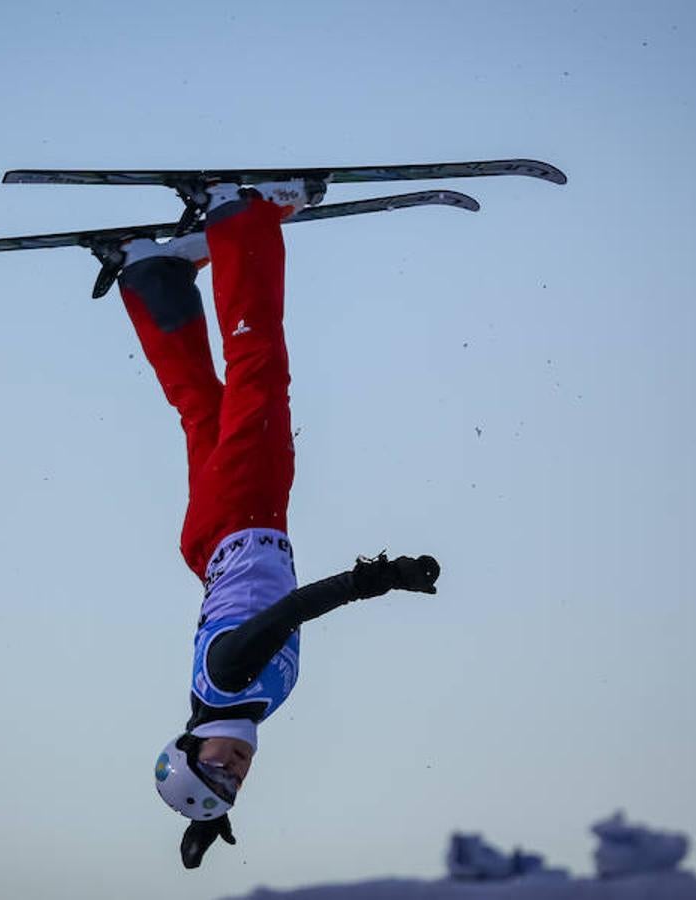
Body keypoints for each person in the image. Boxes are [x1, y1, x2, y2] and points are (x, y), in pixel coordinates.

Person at [113, 179, 441, 869]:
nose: (230, 768)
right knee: (204, 408)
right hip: (214, 540)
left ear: (189, 748)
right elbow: (278, 614)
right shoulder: (238, 704)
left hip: (243, 512)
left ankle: (241, 216)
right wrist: (206, 818)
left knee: (260, 369)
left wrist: (376, 579)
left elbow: (290, 609)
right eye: (233, 782)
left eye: (213, 768)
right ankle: (149, 275)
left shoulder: (231, 680)